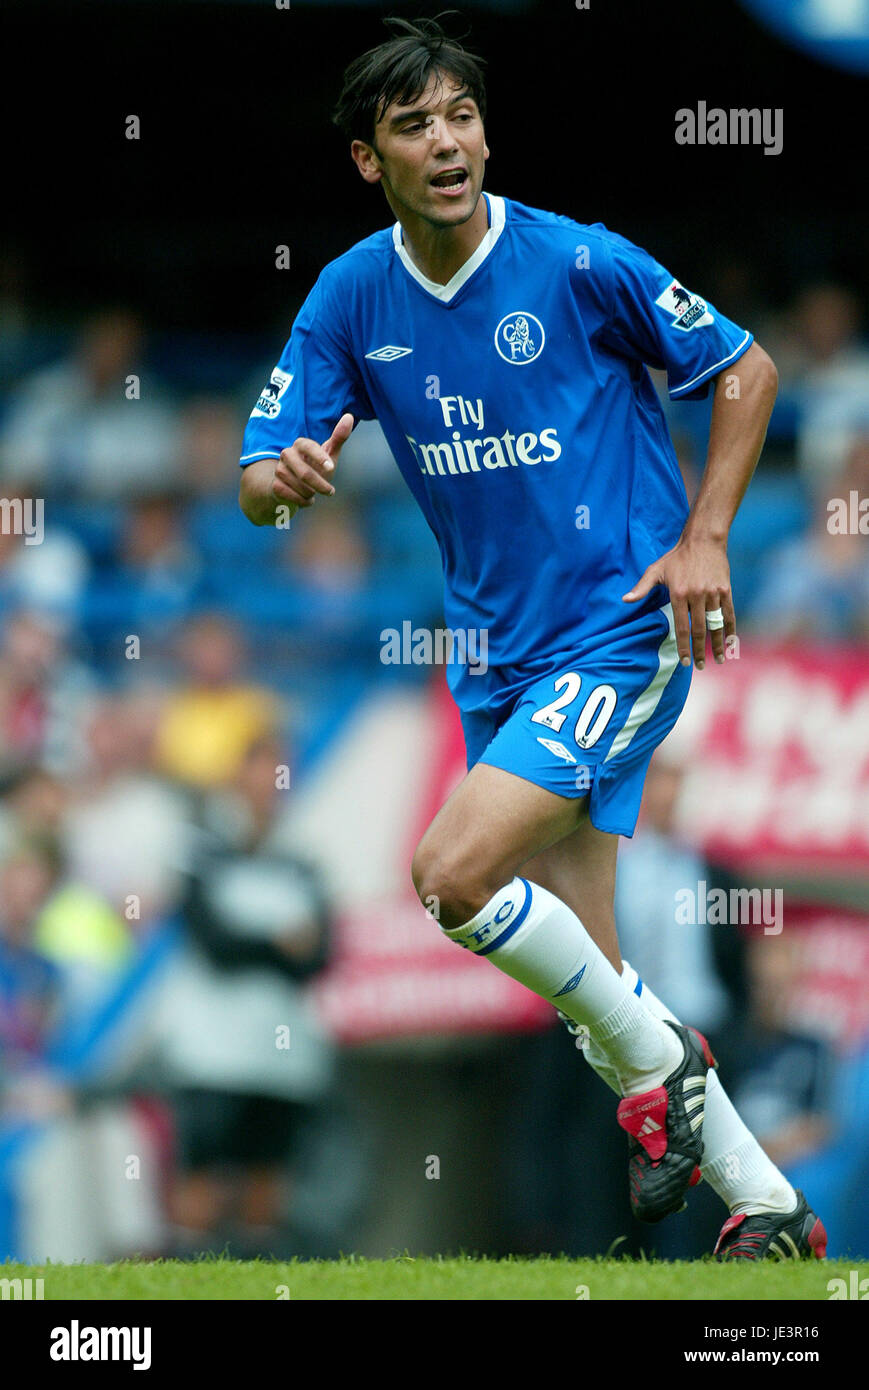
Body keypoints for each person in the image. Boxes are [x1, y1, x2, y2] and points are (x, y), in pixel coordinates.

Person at [236, 16, 824, 1259]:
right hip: (492, 656)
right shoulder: (351, 292)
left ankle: (660, 1071)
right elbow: (255, 473)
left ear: (484, 133)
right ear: (368, 160)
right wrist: (278, 478)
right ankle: (766, 1201)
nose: (445, 141)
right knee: (594, 975)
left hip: (616, 627)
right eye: (413, 125)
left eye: (459, 115)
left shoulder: (576, 262)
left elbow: (747, 367)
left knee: (451, 876)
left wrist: (708, 532)